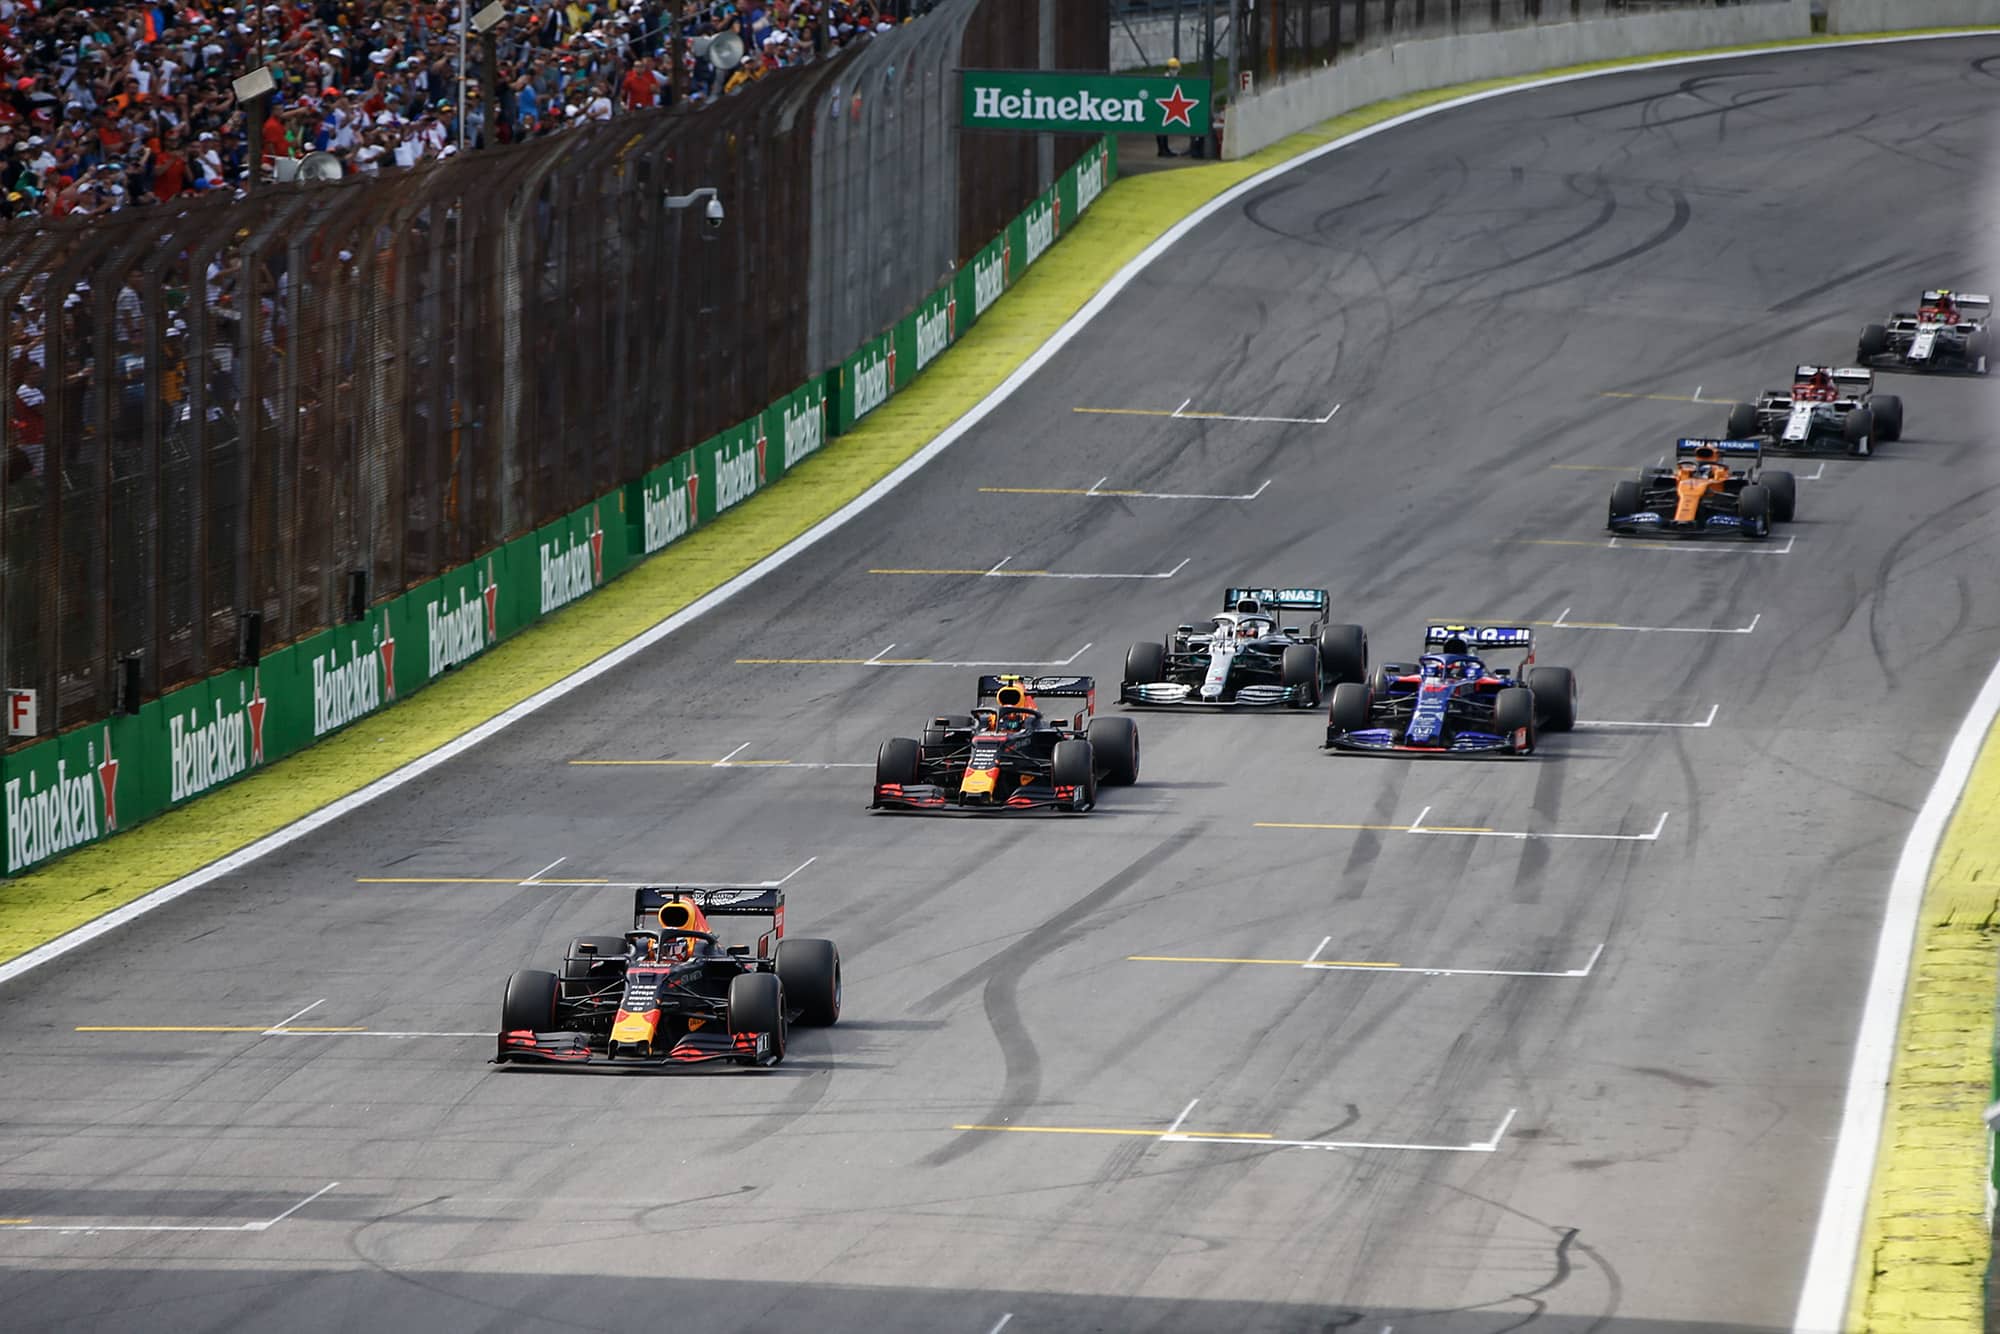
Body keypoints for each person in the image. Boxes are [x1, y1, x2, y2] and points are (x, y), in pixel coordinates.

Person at [1156, 55, 1183, 158]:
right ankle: (1162, 150)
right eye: (1174, 69)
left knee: (1165, 129)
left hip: (1167, 105)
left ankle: (1165, 148)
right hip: (1162, 105)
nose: (1175, 71)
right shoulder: (1165, 79)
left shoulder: (1174, 79)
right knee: (1160, 129)